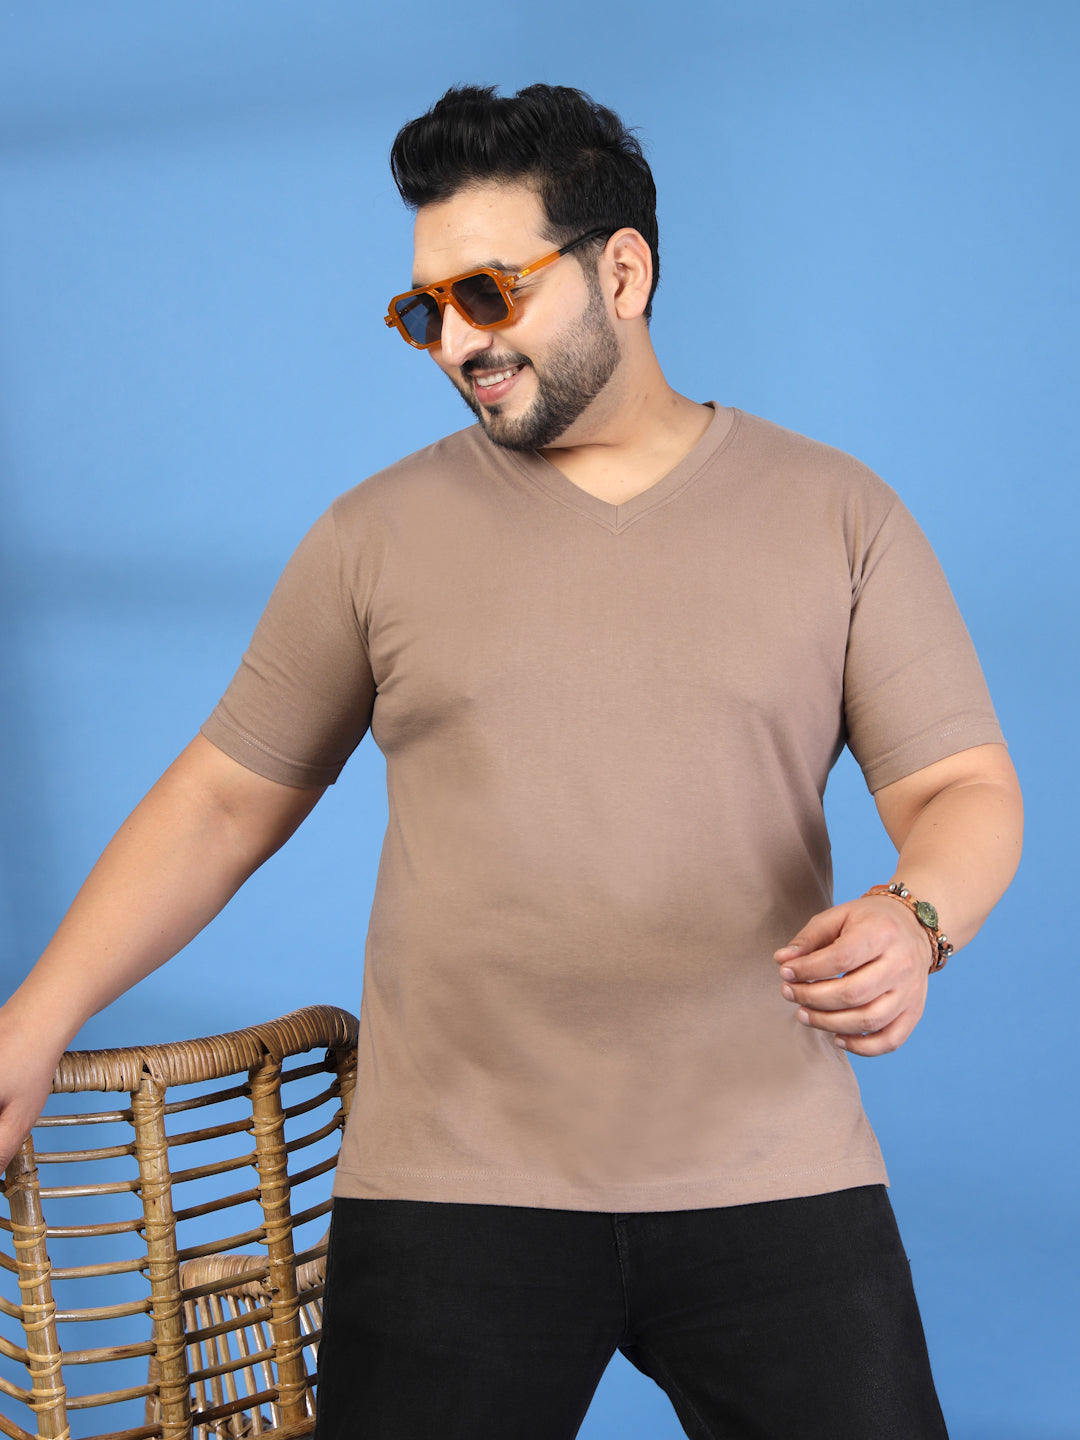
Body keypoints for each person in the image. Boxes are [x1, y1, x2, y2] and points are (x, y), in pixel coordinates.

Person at [0, 83, 1022, 1440]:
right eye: (424, 312)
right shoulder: (373, 537)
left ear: (624, 272)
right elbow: (224, 801)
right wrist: (30, 1024)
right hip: (449, 1190)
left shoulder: (839, 514)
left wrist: (916, 915)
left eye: (488, 294)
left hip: (772, 1168)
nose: (457, 345)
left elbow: (962, 789)